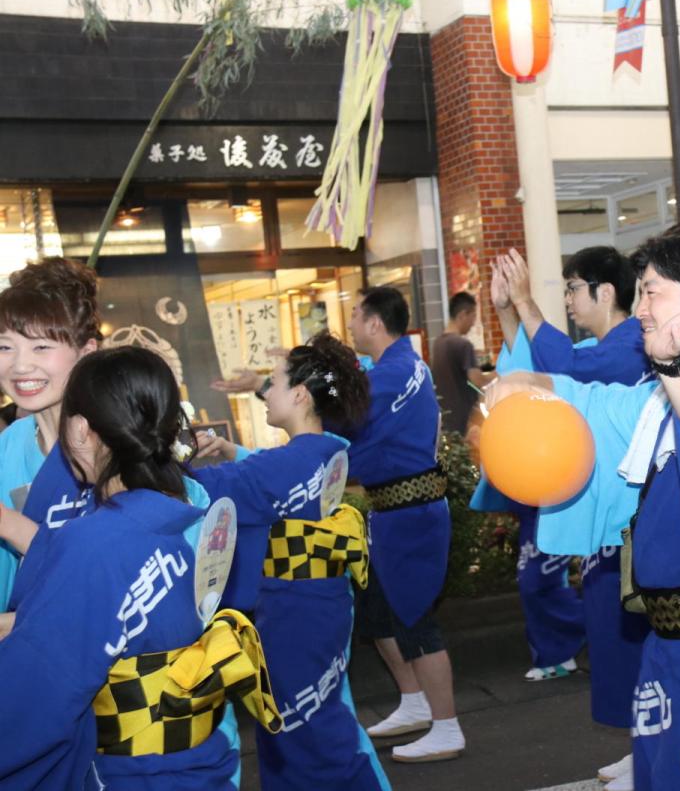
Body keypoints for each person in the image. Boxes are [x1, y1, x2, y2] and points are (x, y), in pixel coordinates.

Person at [487, 223, 680, 790]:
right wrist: (530, 384)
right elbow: (602, 405)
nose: (641, 309)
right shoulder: (669, 387)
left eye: (652, 292)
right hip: (676, 643)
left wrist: (676, 365)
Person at [0, 347, 280, 790]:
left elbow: (33, 698)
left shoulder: (95, 542)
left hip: (128, 776)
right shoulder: (177, 513)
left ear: (78, 430)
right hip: (196, 766)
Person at [191, 332, 388, 789]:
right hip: (322, 601)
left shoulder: (287, 463)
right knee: (323, 722)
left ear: (300, 393)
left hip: (292, 613)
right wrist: (232, 451)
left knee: (301, 732)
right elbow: (272, 477)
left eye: (273, 382)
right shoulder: (327, 449)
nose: (264, 392)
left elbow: (217, 487)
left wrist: (167, 457)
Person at [489, 247, 639, 784]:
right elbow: (528, 368)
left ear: (605, 292)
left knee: (631, 638)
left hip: (628, 524)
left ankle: (650, 748)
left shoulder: (631, 345)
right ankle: (640, 743)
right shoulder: (603, 346)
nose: (570, 301)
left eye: (574, 288)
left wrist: (526, 301)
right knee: (611, 631)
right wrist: (508, 310)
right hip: (605, 522)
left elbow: (564, 370)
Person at [347, 287, 465, 762]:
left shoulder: (393, 373)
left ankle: (448, 725)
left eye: (355, 314)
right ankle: (416, 703)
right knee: (379, 615)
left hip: (409, 513)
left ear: (375, 323)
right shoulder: (396, 367)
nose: (351, 321)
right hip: (393, 512)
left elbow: (344, 417)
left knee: (414, 619)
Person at [0, 258, 100, 614]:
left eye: (41, 347)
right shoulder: (8, 446)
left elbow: (131, 567)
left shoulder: (118, 443)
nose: (20, 365)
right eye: (5, 347)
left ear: (87, 352)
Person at [430, 291, 492, 435]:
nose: (473, 322)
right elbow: (477, 380)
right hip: (465, 420)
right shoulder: (463, 345)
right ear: (462, 315)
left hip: (446, 418)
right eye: (473, 316)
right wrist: (498, 374)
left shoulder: (438, 343)